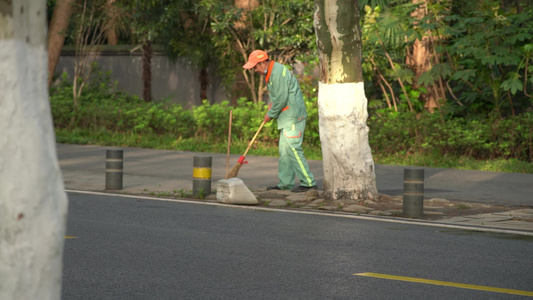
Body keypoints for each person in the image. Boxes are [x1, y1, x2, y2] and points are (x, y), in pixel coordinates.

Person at [243, 50, 317, 193]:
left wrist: (270, 114)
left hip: (293, 117)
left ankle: (309, 183)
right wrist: (272, 104)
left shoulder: (276, 74)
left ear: (263, 62)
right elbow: (279, 96)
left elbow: (282, 99)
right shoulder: (272, 71)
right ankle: (285, 184)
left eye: (255, 67)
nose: (255, 70)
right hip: (287, 117)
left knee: (293, 149)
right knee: (284, 151)